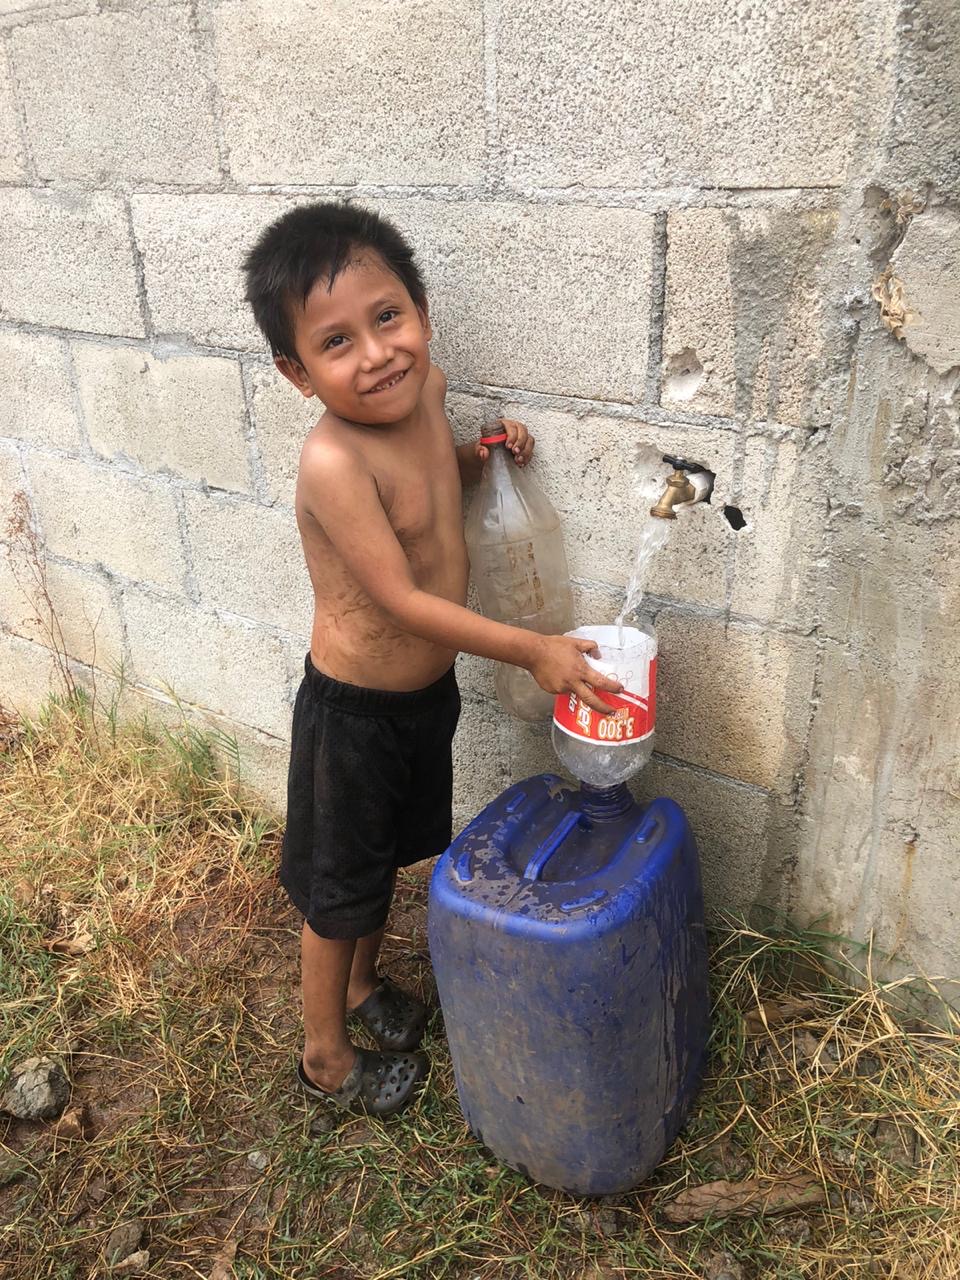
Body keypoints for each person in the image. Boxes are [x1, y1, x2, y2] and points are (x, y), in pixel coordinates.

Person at [242, 202, 621, 1117]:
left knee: (390, 859)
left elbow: (427, 485)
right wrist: (534, 650)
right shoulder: (332, 461)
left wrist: (480, 457)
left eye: (388, 317)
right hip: (354, 714)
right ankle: (324, 1056)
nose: (376, 353)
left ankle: (368, 992)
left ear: (421, 310)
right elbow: (404, 600)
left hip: (425, 697)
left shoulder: (429, 391)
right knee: (340, 889)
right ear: (298, 374)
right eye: (336, 343)